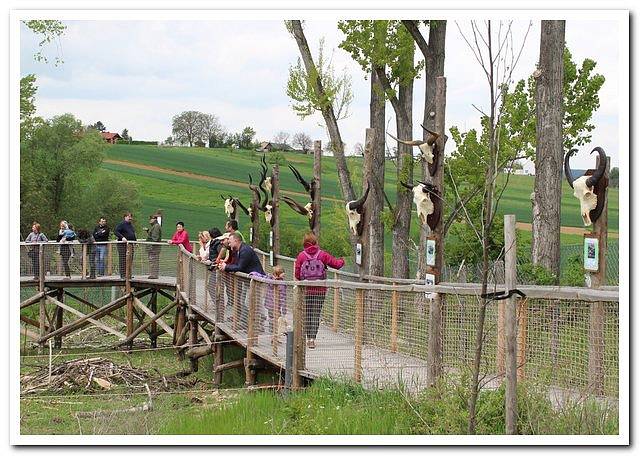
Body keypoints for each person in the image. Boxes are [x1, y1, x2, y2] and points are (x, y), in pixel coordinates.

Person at [294, 232, 345, 349]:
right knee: (316, 314)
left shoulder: (301, 256)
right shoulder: (322, 255)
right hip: (320, 290)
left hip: (306, 290)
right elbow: (336, 264)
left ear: (304, 243)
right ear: (315, 242)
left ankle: (307, 338)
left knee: (307, 313)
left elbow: (297, 274)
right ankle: (312, 339)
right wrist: (342, 260)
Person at [219, 232, 264, 326]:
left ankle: (257, 324)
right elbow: (235, 264)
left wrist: (226, 267)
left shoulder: (245, 250)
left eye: (230, 242)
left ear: (236, 240)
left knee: (250, 302)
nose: (229, 244)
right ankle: (247, 323)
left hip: (255, 280)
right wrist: (226, 265)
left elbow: (240, 267)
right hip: (248, 281)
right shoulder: (238, 250)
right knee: (243, 301)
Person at [114, 212, 136, 278]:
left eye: (131, 217)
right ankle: (123, 275)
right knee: (123, 259)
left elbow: (132, 234)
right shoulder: (122, 224)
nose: (130, 218)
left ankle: (128, 274)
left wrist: (135, 242)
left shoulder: (131, 225)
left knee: (130, 259)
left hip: (130, 245)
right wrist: (122, 237)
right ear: (125, 217)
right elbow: (116, 231)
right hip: (122, 245)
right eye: (129, 217)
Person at [144, 214, 162, 279]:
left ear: (154, 219)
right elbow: (153, 235)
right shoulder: (155, 226)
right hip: (153, 247)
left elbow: (155, 238)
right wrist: (148, 231)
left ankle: (154, 275)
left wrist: (150, 244)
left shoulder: (156, 226)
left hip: (153, 248)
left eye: (151, 219)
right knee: (153, 261)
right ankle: (153, 274)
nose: (150, 220)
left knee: (153, 261)